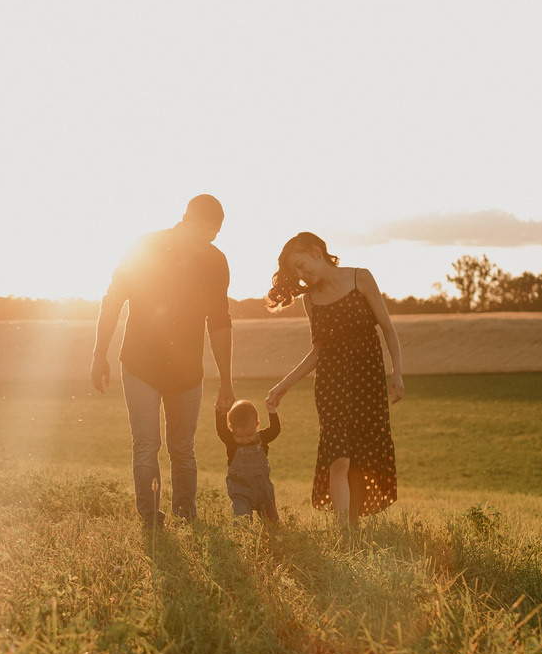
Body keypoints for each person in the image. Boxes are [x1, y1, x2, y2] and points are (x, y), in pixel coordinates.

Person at [91, 194, 234, 528]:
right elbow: (112, 301)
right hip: (141, 362)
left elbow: (220, 320)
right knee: (147, 444)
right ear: (186, 218)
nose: (207, 242)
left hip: (187, 370)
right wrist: (99, 355)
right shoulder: (145, 246)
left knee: (183, 448)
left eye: (213, 237)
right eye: (203, 233)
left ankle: (186, 516)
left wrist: (226, 379)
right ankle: (151, 519)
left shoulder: (215, 261)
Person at [264, 232, 403, 525]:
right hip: (331, 385)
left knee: (362, 456)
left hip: (368, 381)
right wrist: (283, 385)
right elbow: (317, 351)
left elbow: (388, 328)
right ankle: (345, 537)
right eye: (295, 272)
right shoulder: (310, 300)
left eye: (302, 265)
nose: (302, 275)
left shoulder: (360, 278)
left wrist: (397, 372)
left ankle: (353, 525)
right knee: (338, 457)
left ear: (317, 252)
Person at [217, 398, 281, 527]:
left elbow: (275, 430)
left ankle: (273, 537)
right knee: (242, 521)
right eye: (239, 436)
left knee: (272, 523)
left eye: (250, 435)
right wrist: (221, 413)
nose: (245, 439)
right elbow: (221, 430)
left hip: (264, 492)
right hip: (241, 492)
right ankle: (243, 539)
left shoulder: (262, 438)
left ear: (257, 425)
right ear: (231, 428)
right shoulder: (231, 442)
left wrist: (272, 411)